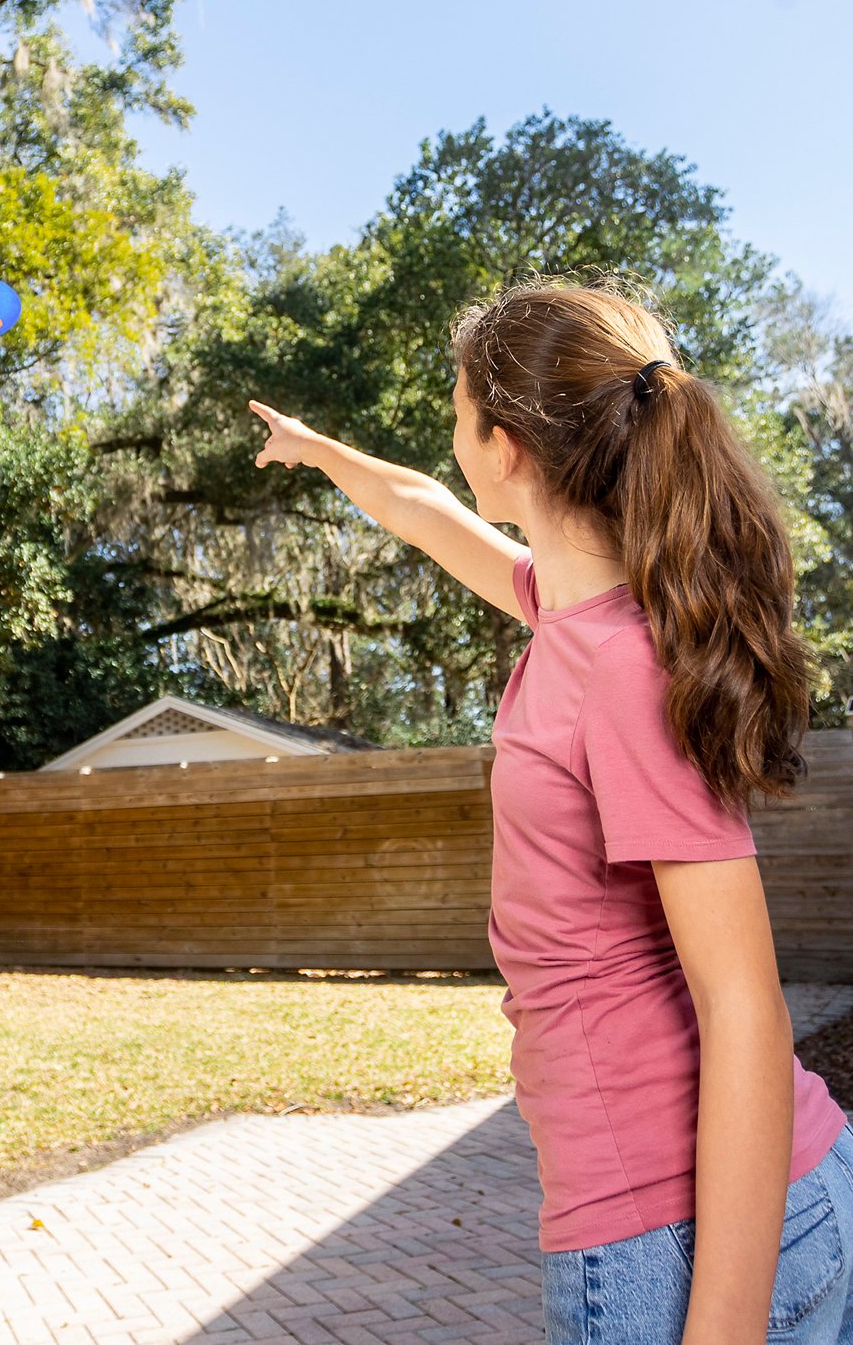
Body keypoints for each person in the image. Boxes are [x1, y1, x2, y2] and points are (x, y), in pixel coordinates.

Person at [250, 281, 852, 1345]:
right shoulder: (574, 614)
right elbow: (422, 509)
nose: (449, 433)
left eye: (456, 405)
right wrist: (320, 452)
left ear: (507, 445)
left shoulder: (619, 668)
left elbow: (745, 1004)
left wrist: (721, 1330)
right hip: (737, 1204)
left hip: (677, 1240)